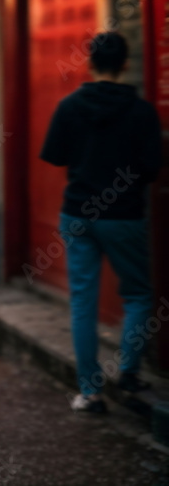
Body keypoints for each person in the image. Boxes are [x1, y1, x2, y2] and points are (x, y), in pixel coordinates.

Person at [40, 31, 163, 413]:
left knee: (83, 302)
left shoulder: (70, 106)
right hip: (124, 215)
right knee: (140, 295)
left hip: (78, 213)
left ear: (90, 63)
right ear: (126, 63)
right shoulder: (142, 111)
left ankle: (90, 392)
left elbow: (55, 156)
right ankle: (128, 371)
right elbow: (153, 168)